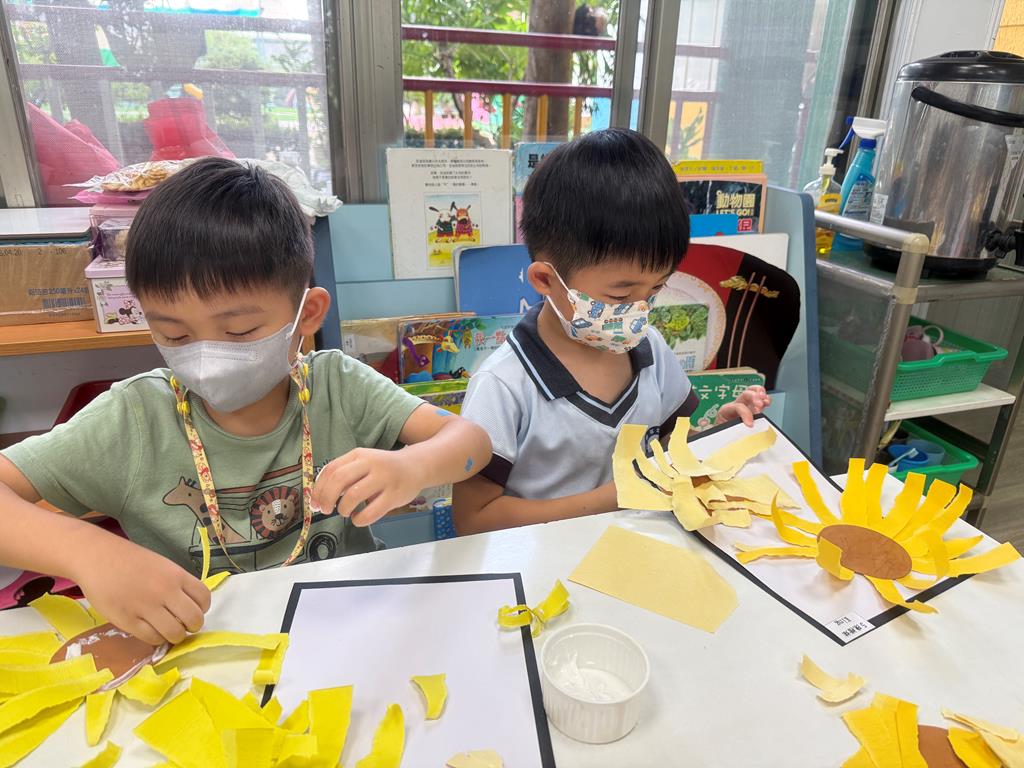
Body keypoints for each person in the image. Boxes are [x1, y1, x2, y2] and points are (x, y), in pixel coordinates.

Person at [0, 158, 491, 645]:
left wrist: (412, 467)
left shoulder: (338, 386)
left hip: (348, 629)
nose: (206, 357)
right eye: (174, 334)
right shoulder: (133, 419)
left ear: (307, 314)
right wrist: (88, 551)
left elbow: (471, 443)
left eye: (239, 331)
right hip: (203, 648)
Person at [453, 129, 769, 535]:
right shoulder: (503, 385)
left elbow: (671, 452)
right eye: (620, 294)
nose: (639, 311)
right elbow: (473, 519)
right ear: (545, 280)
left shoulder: (650, 349)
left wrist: (714, 435)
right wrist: (614, 497)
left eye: (655, 289)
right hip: (548, 567)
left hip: (643, 551)